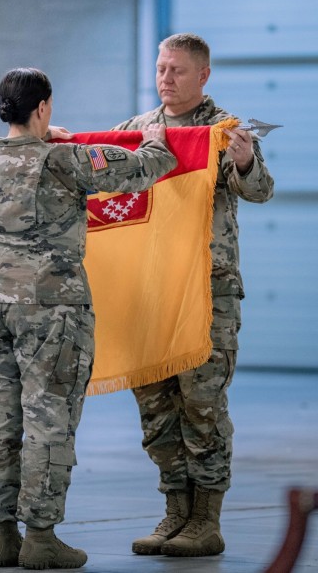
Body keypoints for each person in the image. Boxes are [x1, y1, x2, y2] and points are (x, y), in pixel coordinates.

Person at [0, 67, 177, 569]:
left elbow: (14, 156)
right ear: (43, 108)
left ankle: (0, 536)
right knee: (47, 418)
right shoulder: (67, 160)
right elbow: (153, 163)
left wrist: (43, 140)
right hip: (49, 307)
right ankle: (40, 538)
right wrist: (154, 131)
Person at [112, 33, 274, 558]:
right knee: (156, 405)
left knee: (201, 402)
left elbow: (259, 189)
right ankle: (175, 513)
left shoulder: (227, 130)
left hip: (207, 288)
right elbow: (97, 165)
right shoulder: (137, 131)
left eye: (177, 70)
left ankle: (207, 520)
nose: (166, 78)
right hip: (151, 287)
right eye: (161, 68)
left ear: (203, 75)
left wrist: (246, 161)